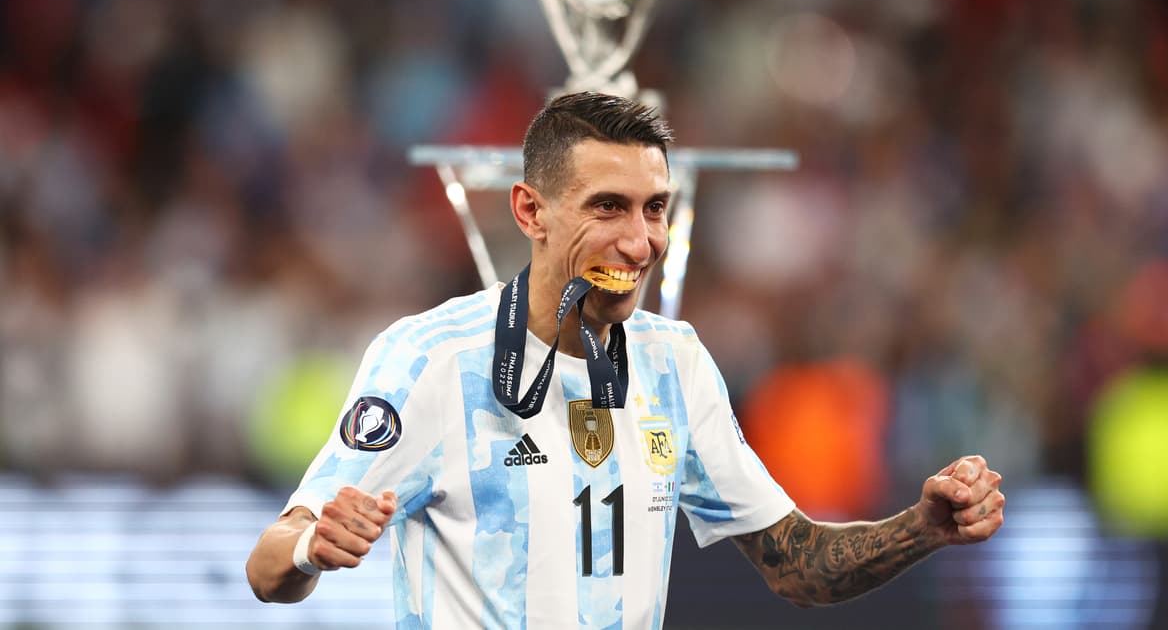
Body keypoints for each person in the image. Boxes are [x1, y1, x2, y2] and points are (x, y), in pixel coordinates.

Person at [245, 91, 1005, 628]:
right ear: (530, 211)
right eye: (608, 206)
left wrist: (921, 528)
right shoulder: (429, 360)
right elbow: (267, 565)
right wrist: (313, 543)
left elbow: (794, 563)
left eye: (654, 207)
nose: (641, 242)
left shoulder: (674, 363)